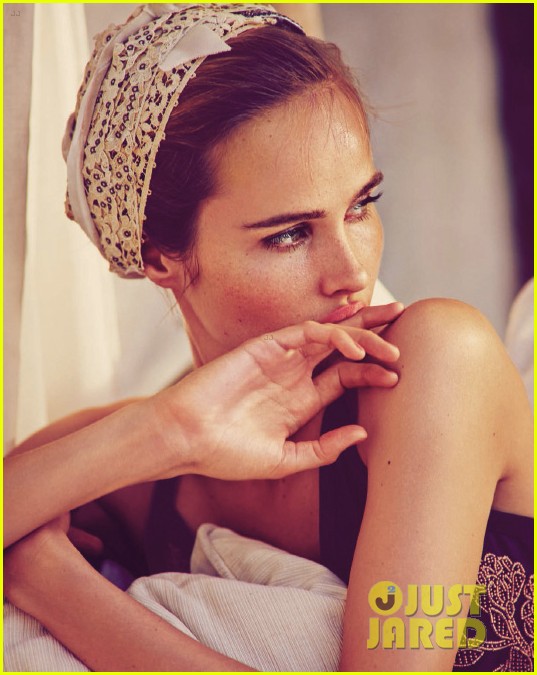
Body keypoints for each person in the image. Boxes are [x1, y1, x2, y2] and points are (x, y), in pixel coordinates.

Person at [4, 4, 533, 672]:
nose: (353, 272)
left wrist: (54, 585)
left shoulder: (434, 361)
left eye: (360, 206)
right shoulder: (136, 466)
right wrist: (168, 431)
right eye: (289, 234)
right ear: (162, 257)